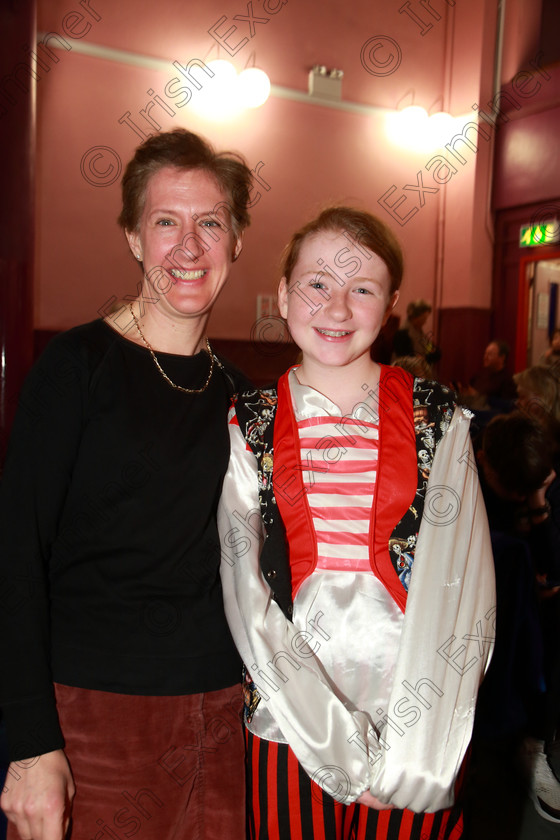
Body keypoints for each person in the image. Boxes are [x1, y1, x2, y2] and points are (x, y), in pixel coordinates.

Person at [0, 129, 253, 840]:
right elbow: (14, 558)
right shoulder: (76, 370)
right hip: (94, 718)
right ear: (135, 239)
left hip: (222, 718)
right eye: (166, 222)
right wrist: (29, 746)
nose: (189, 246)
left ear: (235, 242)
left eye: (210, 223)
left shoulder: (243, 397)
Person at [218, 207, 495, 839]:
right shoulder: (251, 421)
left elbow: (466, 590)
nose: (337, 308)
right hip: (289, 724)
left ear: (390, 304)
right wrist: (336, 750)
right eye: (317, 283)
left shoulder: (438, 419)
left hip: (419, 733)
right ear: (284, 293)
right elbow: (244, 590)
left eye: (362, 288)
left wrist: (418, 752)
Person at [461, 340, 517, 410]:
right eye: (485, 354)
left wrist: (479, 397)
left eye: (490, 354)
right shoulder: (479, 375)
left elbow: (507, 406)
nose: (485, 357)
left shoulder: (508, 380)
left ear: (502, 357)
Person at [392, 299, 441, 366]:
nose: (425, 322)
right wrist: (424, 358)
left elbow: (435, 353)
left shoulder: (421, 334)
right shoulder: (402, 333)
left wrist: (426, 357)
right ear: (416, 317)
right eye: (424, 318)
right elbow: (405, 357)